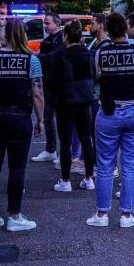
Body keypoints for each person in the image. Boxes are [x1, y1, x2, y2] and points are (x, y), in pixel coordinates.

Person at [87, 12, 134, 228]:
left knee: (105, 165)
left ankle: (102, 214)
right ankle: (126, 215)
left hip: (109, 111)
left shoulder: (102, 52)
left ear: (107, 29)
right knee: (130, 165)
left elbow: (97, 74)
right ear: (126, 29)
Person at [0, 19, 44, 232]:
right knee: (17, 168)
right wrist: (41, 120)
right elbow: (37, 93)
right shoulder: (31, 60)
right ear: (24, 35)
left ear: (5, 34)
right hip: (19, 118)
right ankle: (14, 216)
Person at [53, 20, 96, 193]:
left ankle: (65, 180)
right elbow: (94, 74)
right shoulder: (87, 54)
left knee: (65, 142)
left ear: (66, 36)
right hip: (85, 101)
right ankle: (89, 178)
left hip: (66, 101)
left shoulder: (61, 55)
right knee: (87, 139)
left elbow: (54, 80)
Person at [31, 11, 65, 163]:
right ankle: (51, 150)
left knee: (61, 119)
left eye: (47, 23)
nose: (45, 26)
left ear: (57, 23)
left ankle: (64, 152)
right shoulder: (50, 39)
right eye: (44, 23)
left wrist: (38, 56)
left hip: (59, 83)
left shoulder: (62, 38)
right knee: (47, 116)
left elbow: (54, 57)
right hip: (48, 82)